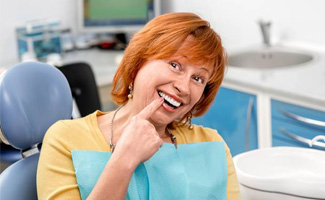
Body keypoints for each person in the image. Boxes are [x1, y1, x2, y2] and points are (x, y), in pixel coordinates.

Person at [37, 12, 241, 200]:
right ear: (137, 64)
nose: (184, 88)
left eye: (198, 78)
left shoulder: (213, 146)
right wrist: (124, 159)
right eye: (175, 65)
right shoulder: (64, 139)